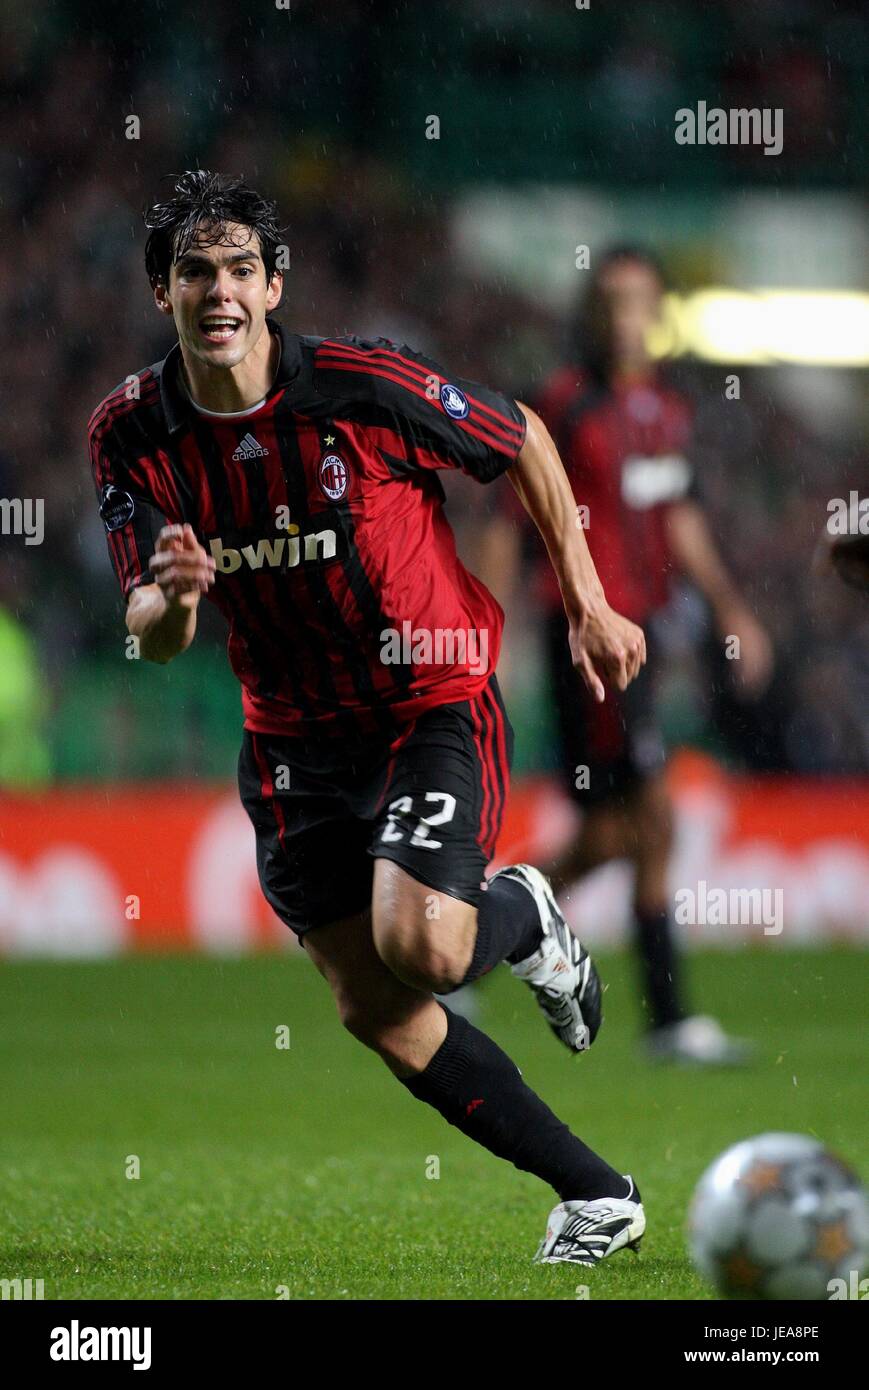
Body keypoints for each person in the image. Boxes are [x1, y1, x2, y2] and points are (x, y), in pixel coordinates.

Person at [88, 171, 648, 1266]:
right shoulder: (129, 432)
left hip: (426, 702)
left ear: (273, 285)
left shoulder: (362, 382)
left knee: (426, 947)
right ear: (162, 291)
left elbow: (522, 436)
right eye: (194, 271)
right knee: (373, 1005)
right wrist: (177, 597)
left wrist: (583, 598)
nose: (219, 290)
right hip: (292, 742)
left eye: (239, 269)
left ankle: (519, 915)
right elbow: (148, 629)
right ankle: (596, 1194)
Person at [479, 246, 773, 1065]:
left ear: (658, 312)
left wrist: (730, 608)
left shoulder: (667, 412)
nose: (622, 316)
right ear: (590, 313)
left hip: (644, 634)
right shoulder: (563, 405)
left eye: (637, 300)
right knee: (651, 819)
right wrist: (488, 638)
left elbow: (678, 516)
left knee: (617, 833)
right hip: (588, 638)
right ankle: (670, 1020)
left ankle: (473, 933)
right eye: (608, 301)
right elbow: (511, 517)